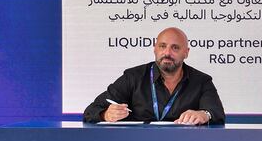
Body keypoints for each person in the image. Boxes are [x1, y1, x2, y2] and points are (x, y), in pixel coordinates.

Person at [83, 27, 225, 124]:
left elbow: (217, 113)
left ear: (186, 52)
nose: (167, 53)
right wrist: (105, 115)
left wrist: (204, 114)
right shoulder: (133, 77)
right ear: (155, 49)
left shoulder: (202, 81)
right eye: (162, 46)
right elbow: (90, 111)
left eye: (175, 48)